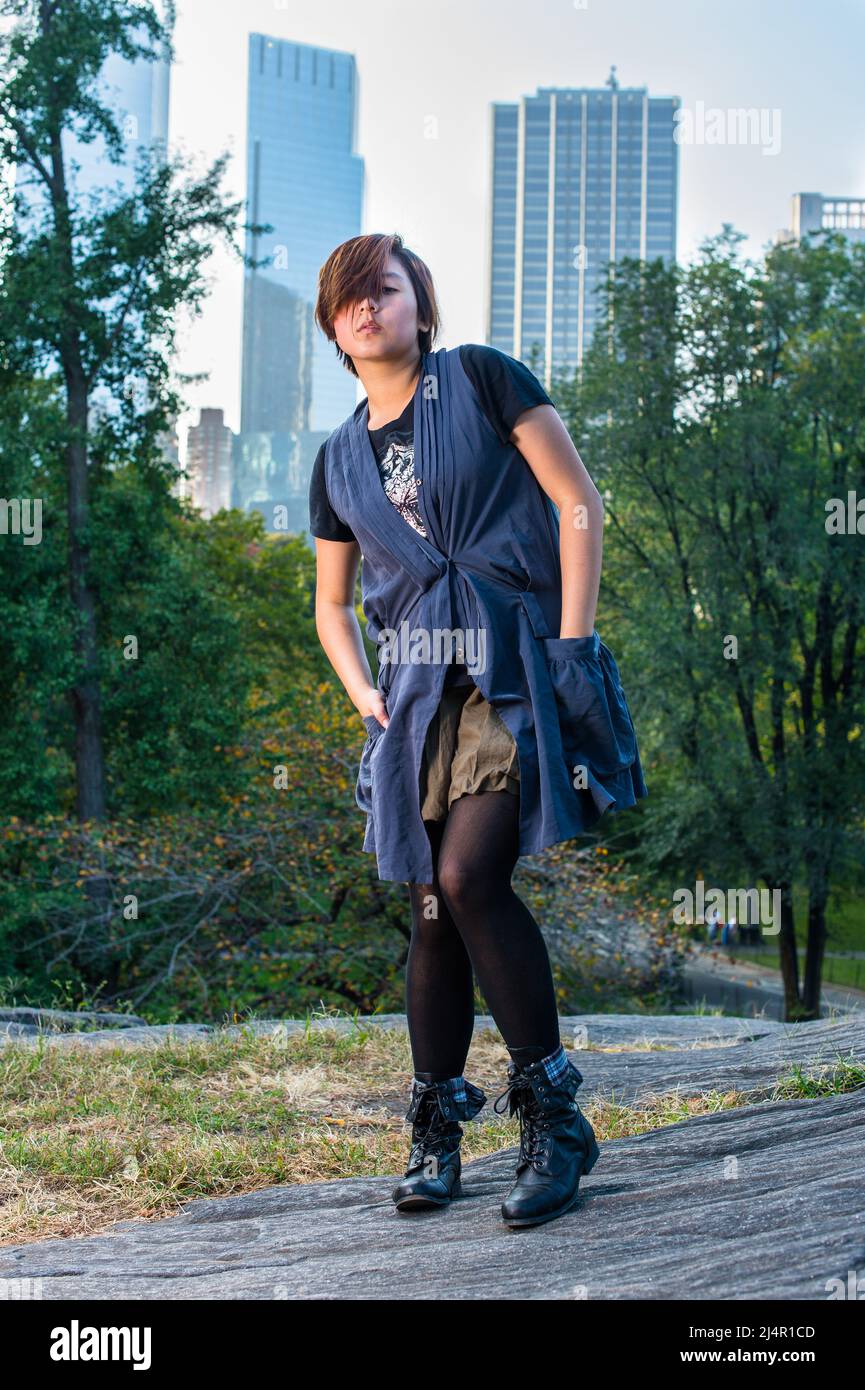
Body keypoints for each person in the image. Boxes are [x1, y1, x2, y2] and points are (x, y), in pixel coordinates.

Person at [308, 232, 647, 1229]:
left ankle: (554, 1114)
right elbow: (331, 603)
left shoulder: (484, 379)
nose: (369, 305)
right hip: (414, 693)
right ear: (335, 328)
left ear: (419, 302)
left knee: (466, 879)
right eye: (350, 297)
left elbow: (576, 501)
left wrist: (571, 642)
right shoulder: (336, 459)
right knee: (426, 901)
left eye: (387, 286)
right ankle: (437, 1131)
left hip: (511, 663)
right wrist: (360, 691)